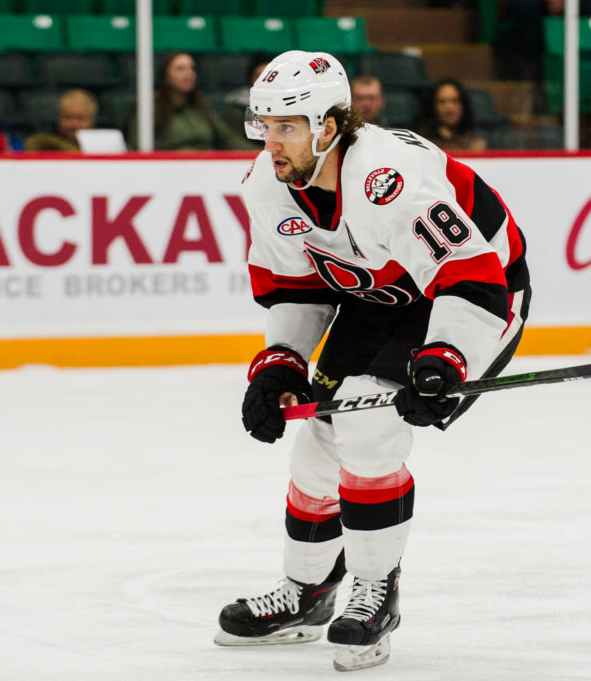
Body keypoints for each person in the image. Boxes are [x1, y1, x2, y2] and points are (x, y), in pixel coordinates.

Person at [214, 50, 531, 672]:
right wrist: (281, 362)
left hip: (477, 290)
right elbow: (295, 288)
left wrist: (447, 356)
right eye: (264, 125)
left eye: (286, 127)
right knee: (318, 441)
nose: (270, 142)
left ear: (328, 127)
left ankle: (374, 592)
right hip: (379, 295)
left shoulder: (388, 178)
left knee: (368, 427)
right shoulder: (267, 184)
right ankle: (307, 592)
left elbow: (471, 277)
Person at [129, 51, 254, 151]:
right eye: (180, 69)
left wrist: (259, 154)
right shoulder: (150, 108)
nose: (189, 74)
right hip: (169, 168)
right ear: (165, 75)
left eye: (192, 68)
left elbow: (228, 138)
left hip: (207, 166)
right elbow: (138, 143)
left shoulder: (201, 106)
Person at [416, 77, 488, 151]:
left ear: (463, 105)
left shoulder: (477, 139)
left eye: (455, 101)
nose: (449, 107)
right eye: (442, 102)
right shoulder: (422, 141)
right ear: (433, 106)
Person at [24, 89, 98, 152]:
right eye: (68, 117)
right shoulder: (42, 143)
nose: (74, 124)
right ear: (59, 118)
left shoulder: (100, 145)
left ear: (92, 120)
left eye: (80, 118)